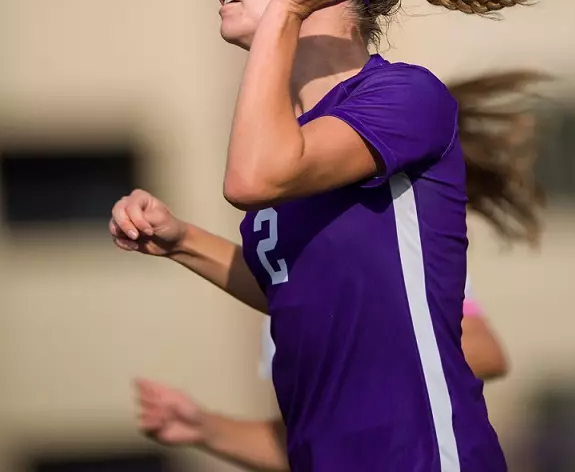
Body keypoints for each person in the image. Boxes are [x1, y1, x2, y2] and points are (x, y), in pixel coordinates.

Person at [110, 0, 575, 471]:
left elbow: (251, 178)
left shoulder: (404, 96)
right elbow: (293, 292)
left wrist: (286, 9)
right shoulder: (292, 142)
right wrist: (182, 241)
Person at [131, 71, 542, 471]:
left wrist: (367, 344)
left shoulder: (381, 239)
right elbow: (303, 445)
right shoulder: (291, 266)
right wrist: (205, 428)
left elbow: (485, 350)